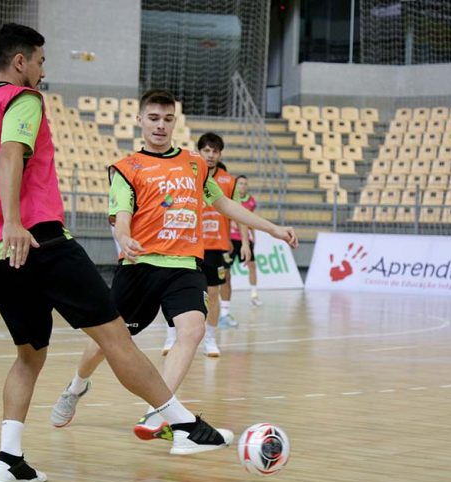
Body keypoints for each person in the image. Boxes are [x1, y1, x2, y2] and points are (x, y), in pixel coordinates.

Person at [0, 24, 234, 482]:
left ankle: (9, 459)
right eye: (41, 61)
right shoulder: (22, 101)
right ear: (20, 62)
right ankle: (183, 426)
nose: (44, 71)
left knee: (28, 356)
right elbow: (9, 155)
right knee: (116, 338)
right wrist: (16, 222)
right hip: (38, 240)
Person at [50, 89, 298, 441]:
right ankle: (76, 387)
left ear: (174, 122)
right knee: (107, 342)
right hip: (140, 266)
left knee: (193, 330)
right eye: (153, 118)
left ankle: (158, 412)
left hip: (183, 265)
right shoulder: (126, 169)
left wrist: (272, 228)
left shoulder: (195, 165)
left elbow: (224, 204)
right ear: (140, 120)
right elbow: (121, 214)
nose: (160, 126)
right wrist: (124, 236)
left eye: (167, 119)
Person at [164, 134, 237, 358]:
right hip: (187, 244)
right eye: (207, 150)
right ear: (199, 152)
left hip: (215, 246)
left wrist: (239, 241)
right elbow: (167, 199)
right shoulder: (187, 174)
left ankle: (210, 340)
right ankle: (170, 336)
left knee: (213, 293)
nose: (211, 155)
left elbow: (235, 209)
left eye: (215, 151)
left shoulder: (228, 181)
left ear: (220, 154)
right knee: (173, 292)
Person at [228, 175, 261, 306]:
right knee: (226, 269)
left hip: (245, 240)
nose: (243, 186)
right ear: (236, 185)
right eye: (240, 183)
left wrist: (254, 236)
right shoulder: (229, 200)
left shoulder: (251, 201)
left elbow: (251, 220)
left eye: (245, 184)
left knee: (252, 266)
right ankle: (223, 297)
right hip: (231, 239)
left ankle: (254, 295)